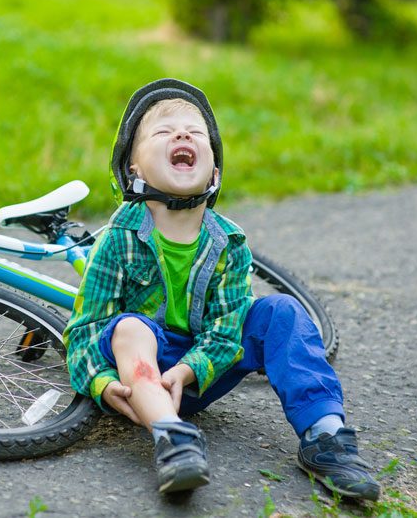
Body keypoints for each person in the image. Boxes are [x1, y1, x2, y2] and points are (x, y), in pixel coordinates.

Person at [63, 78, 380, 499]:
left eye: (195, 133)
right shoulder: (117, 239)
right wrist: (102, 384)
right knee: (127, 328)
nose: (181, 135)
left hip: (201, 372)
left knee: (281, 312)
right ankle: (172, 438)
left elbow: (227, 333)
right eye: (163, 132)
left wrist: (187, 371)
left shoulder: (229, 243)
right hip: (140, 380)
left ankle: (325, 435)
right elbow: (84, 331)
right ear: (134, 170)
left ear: (213, 172)